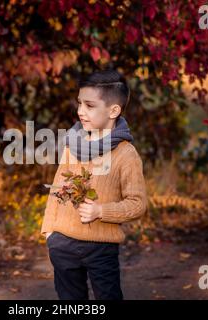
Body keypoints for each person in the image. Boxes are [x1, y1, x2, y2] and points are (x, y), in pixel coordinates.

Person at [40, 69, 148, 300]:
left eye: (89, 105)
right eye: (79, 103)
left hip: (101, 247)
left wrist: (101, 211)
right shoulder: (73, 144)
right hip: (62, 244)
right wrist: (50, 232)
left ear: (113, 110)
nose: (80, 111)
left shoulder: (126, 154)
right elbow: (58, 187)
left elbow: (138, 204)